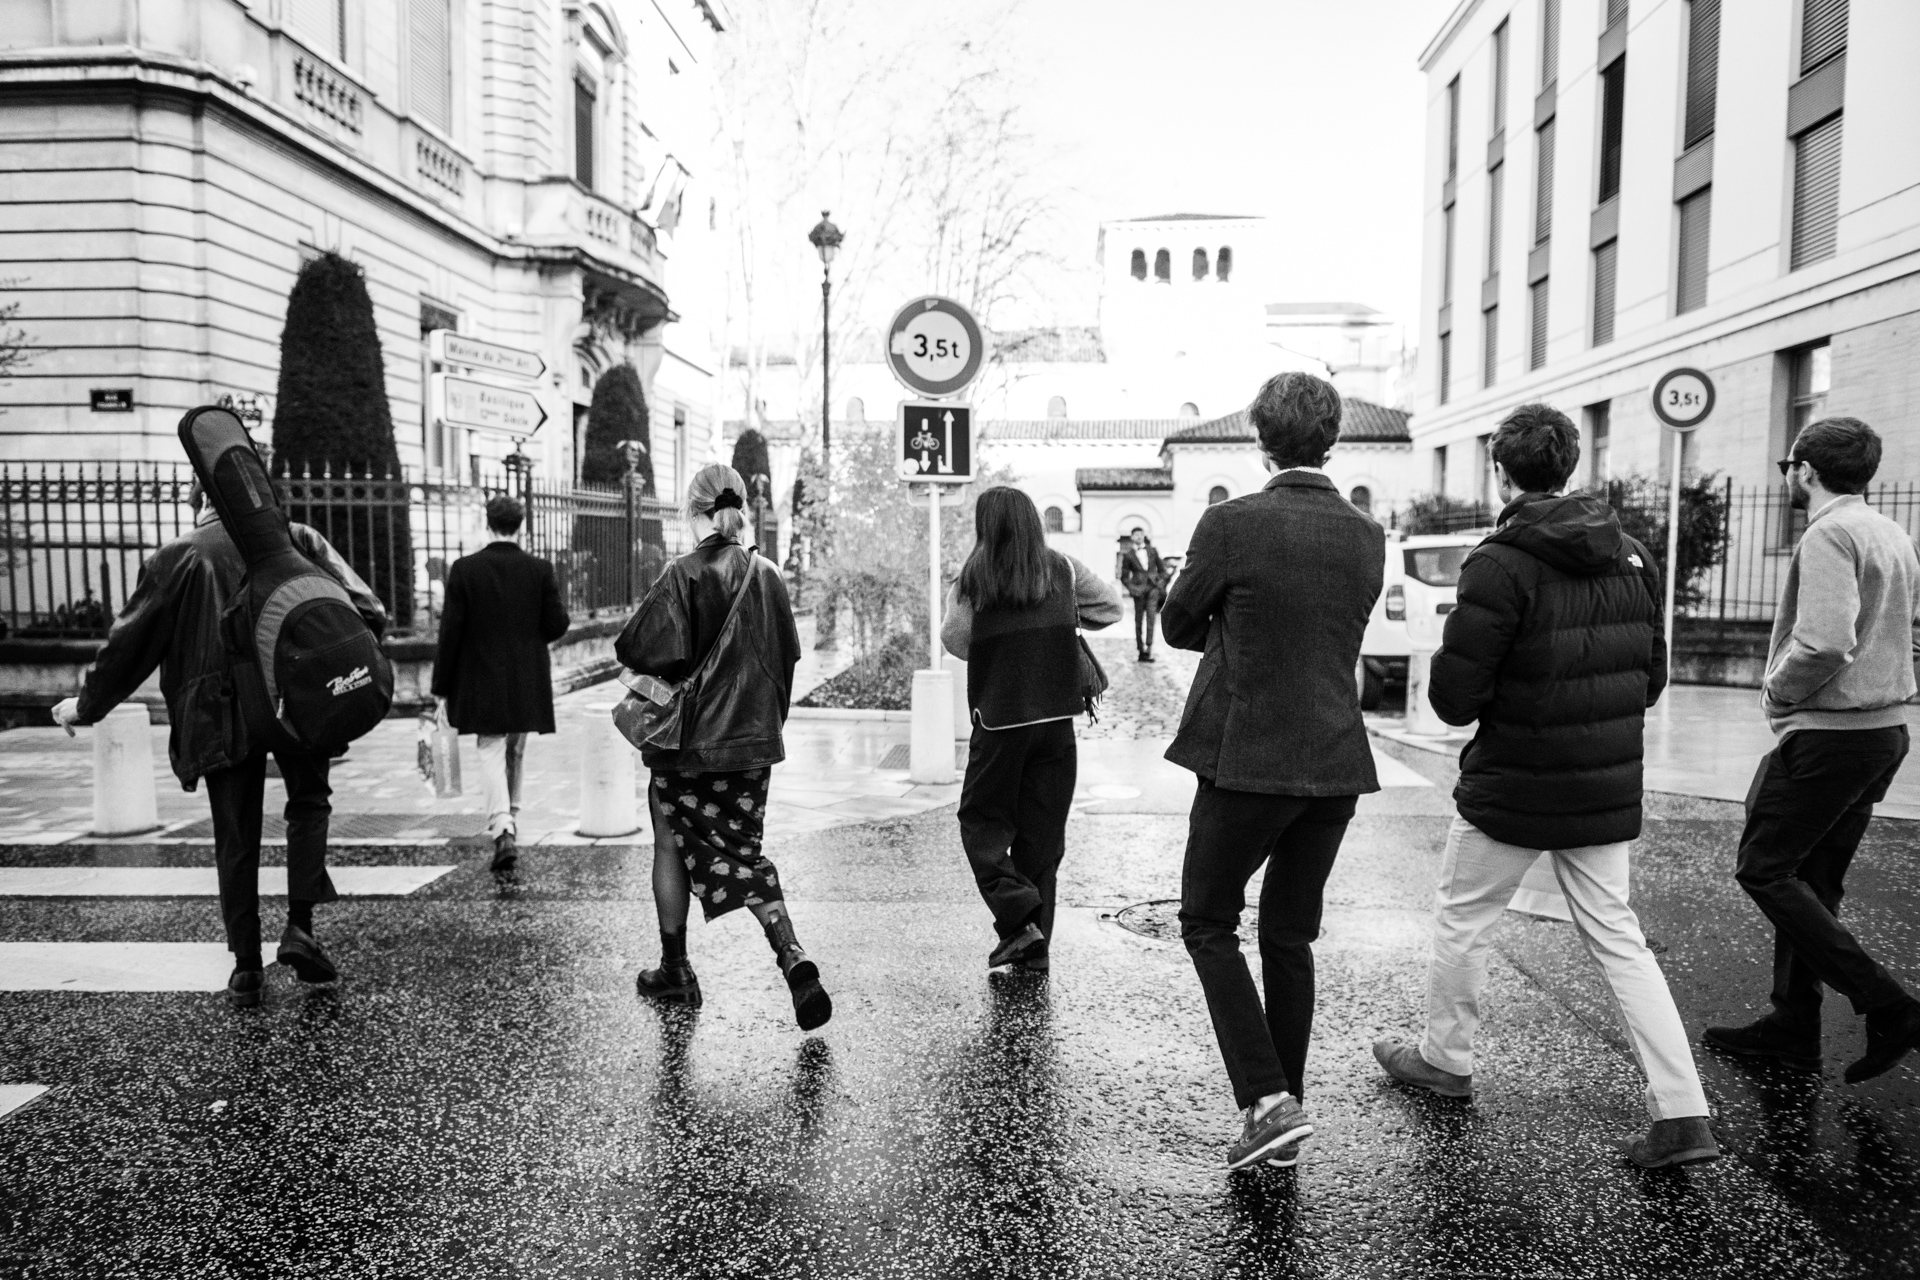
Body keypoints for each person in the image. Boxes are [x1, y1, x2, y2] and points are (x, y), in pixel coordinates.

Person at [1367, 404, 1719, 1169]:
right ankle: (1684, 1111)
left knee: (1463, 918)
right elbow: (1652, 681)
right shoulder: (1631, 554)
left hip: (1514, 785)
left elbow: (1456, 699)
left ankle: (1446, 1060)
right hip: (1601, 789)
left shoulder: (1498, 563)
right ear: (1570, 466)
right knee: (1619, 940)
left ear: (1503, 472)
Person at [1161, 371, 1383, 1172]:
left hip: (1247, 759)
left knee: (1208, 923)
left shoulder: (1231, 522)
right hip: (1335, 761)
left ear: (1261, 439)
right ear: (1333, 438)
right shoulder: (1366, 533)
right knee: (1289, 937)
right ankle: (1283, 1108)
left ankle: (1264, 1100)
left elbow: (1179, 622)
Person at [52, 478, 386, 1008]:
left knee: (235, 833)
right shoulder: (297, 540)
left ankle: (247, 965)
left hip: (219, 708)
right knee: (308, 803)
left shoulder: (176, 558)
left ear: (198, 501)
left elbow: (127, 647)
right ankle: (300, 926)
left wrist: (85, 707)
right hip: (296, 700)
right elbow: (370, 611)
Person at [1704, 417, 1920, 1085]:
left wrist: (1777, 690)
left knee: (1765, 869)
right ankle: (1792, 1026)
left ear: (1804, 470)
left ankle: (1887, 1003)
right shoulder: (1891, 532)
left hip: (1830, 735)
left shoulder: (1829, 532)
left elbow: (1826, 642)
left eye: (1787, 467)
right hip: (1883, 734)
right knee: (1814, 880)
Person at [617, 463, 827, 1030]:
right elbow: (787, 662)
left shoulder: (681, 574)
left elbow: (635, 647)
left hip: (687, 748)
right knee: (742, 852)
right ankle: (791, 954)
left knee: (669, 839)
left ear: (693, 512)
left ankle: (675, 970)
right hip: (752, 746)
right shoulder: (769, 575)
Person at [941, 487, 1122, 974]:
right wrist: (1059, 620)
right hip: (1055, 724)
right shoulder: (1061, 568)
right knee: (1042, 842)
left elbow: (956, 641)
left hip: (1000, 724)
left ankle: (1020, 922)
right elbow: (1111, 607)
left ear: (987, 525)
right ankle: (1035, 951)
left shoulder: (973, 578)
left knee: (982, 825)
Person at [430, 495, 570, 875]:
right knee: (515, 751)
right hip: (527, 678)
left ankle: (502, 825)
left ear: (487, 524)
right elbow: (557, 624)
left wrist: (441, 686)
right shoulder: (539, 569)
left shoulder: (464, 569)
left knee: (490, 749)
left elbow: (450, 634)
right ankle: (513, 816)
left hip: (481, 677)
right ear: (520, 526)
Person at [1118, 526, 1168, 663]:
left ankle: (1149, 649)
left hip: (1153, 589)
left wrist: (1159, 585)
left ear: (1144, 536)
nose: (1139, 536)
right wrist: (1132, 589)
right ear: (1132, 537)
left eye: (1141, 534)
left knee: (1151, 619)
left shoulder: (1152, 551)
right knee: (1138, 621)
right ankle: (1141, 651)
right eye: (1136, 534)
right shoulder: (1128, 554)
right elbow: (1124, 576)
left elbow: (1163, 571)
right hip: (1138, 591)